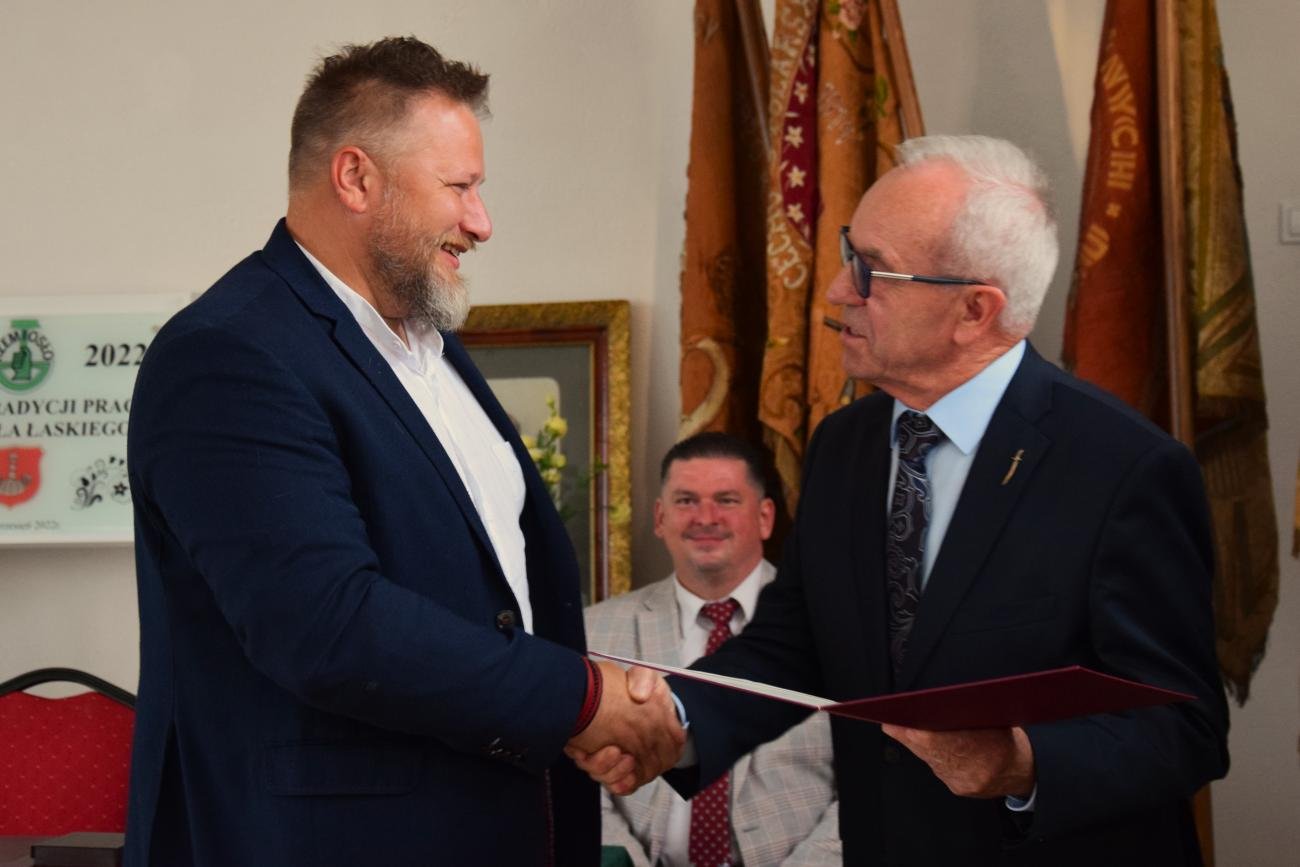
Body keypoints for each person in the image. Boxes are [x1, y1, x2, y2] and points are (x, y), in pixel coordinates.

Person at [579, 136, 1228, 865]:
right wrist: (674, 717)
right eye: (846, 252)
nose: (836, 290)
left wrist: (1022, 764)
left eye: (870, 269)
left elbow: (1187, 729)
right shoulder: (844, 444)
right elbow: (795, 643)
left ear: (975, 310)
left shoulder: (1123, 467)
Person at [124, 37, 680, 867]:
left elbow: (481, 603)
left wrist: (571, 711)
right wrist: (580, 698)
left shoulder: (432, 347)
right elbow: (326, 624)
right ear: (356, 177)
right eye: (459, 187)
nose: (482, 222)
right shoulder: (228, 353)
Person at [585, 433, 840, 866]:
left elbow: (867, 783)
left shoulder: (830, 628)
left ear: (765, 517)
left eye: (726, 500)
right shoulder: (593, 632)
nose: (705, 518)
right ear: (660, 518)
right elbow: (578, 784)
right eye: (686, 501)